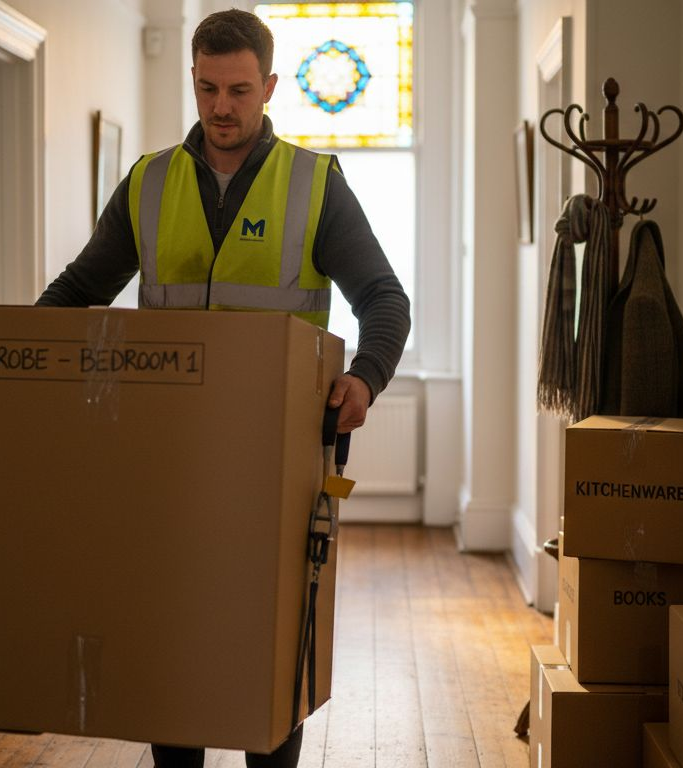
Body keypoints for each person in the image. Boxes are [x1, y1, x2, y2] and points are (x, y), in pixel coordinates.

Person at [36, 9, 410, 767]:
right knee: (169, 646)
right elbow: (78, 290)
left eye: (239, 90)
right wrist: (28, 370)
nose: (221, 107)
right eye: (207, 88)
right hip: (165, 466)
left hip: (273, 463)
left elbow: (384, 298)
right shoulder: (148, 182)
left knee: (266, 654)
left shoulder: (313, 183)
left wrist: (365, 379)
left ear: (269, 86)